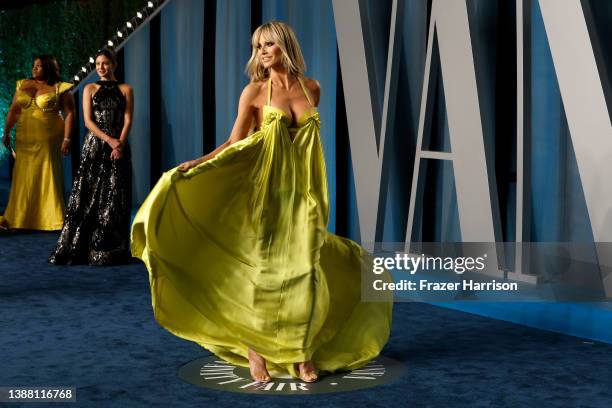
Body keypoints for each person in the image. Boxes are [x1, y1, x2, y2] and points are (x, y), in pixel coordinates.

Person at [131, 21, 392, 383]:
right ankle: (257, 351)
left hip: (307, 194)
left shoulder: (311, 88)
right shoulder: (255, 92)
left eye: (268, 44)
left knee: (307, 272)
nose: (262, 52)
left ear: (285, 46)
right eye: (258, 47)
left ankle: (302, 353)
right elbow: (235, 143)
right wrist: (198, 163)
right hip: (265, 193)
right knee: (265, 273)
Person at [49, 48, 133, 265]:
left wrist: (119, 144)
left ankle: (110, 249)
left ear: (114, 64)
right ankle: (83, 248)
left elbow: (127, 120)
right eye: (97, 64)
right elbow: (88, 122)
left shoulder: (126, 89)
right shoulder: (90, 88)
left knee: (115, 196)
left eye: (105, 63)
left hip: (119, 147)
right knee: (89, 195)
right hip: (95, 146)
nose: (100, 68)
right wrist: (110, 141)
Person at [0, 55, 74, 230]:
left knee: (48, 172)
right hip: (24, 137)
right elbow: (14, 110)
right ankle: (22, 218)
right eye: (34, 65)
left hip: (48, 136)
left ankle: (50, 219)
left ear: (48, 68)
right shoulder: (23, 84)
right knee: (23, 175)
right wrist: (6, 131)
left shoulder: (60, 88)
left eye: (39, 66)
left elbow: (70, 113)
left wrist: (67, 138)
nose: (35, 68)